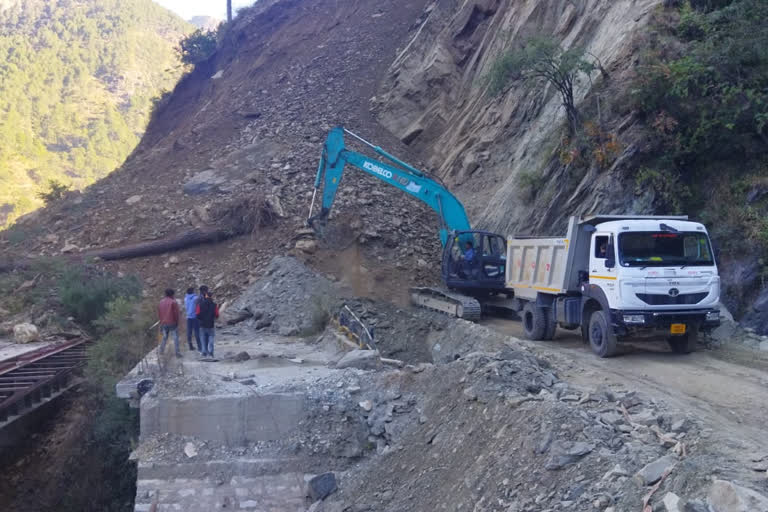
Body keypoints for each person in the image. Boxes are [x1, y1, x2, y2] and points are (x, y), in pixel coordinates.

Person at [157, 288, 181, 358]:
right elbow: (176, 313)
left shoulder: (161, 302)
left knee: (164, 337)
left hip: (164, 323)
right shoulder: (173, 302)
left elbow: (159, 313)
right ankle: (177, 353)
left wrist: (161, 322)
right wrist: (177, 322)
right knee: (175, 337)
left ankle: (161, 351)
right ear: (172, 294)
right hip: (172, 322)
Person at [196, 289, 219, 359]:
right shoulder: (214, 305)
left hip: (202, 324)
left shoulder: (200, 304)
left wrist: (200, 319)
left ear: (206, 296)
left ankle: (204, 352)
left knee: (202, 339)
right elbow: (217, 315)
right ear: (211, 297)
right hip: (210, 324)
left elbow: (197, 314)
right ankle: (211, 352)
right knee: (211, 337)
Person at [184, 287, 202, 353]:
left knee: (189, 332)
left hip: (188, 317)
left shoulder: (185, 298)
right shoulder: (195, 298)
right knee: (197, 332)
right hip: (195, 317)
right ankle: (199, 347)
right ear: (192, 291)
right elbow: (200, 300)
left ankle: (190, 346)